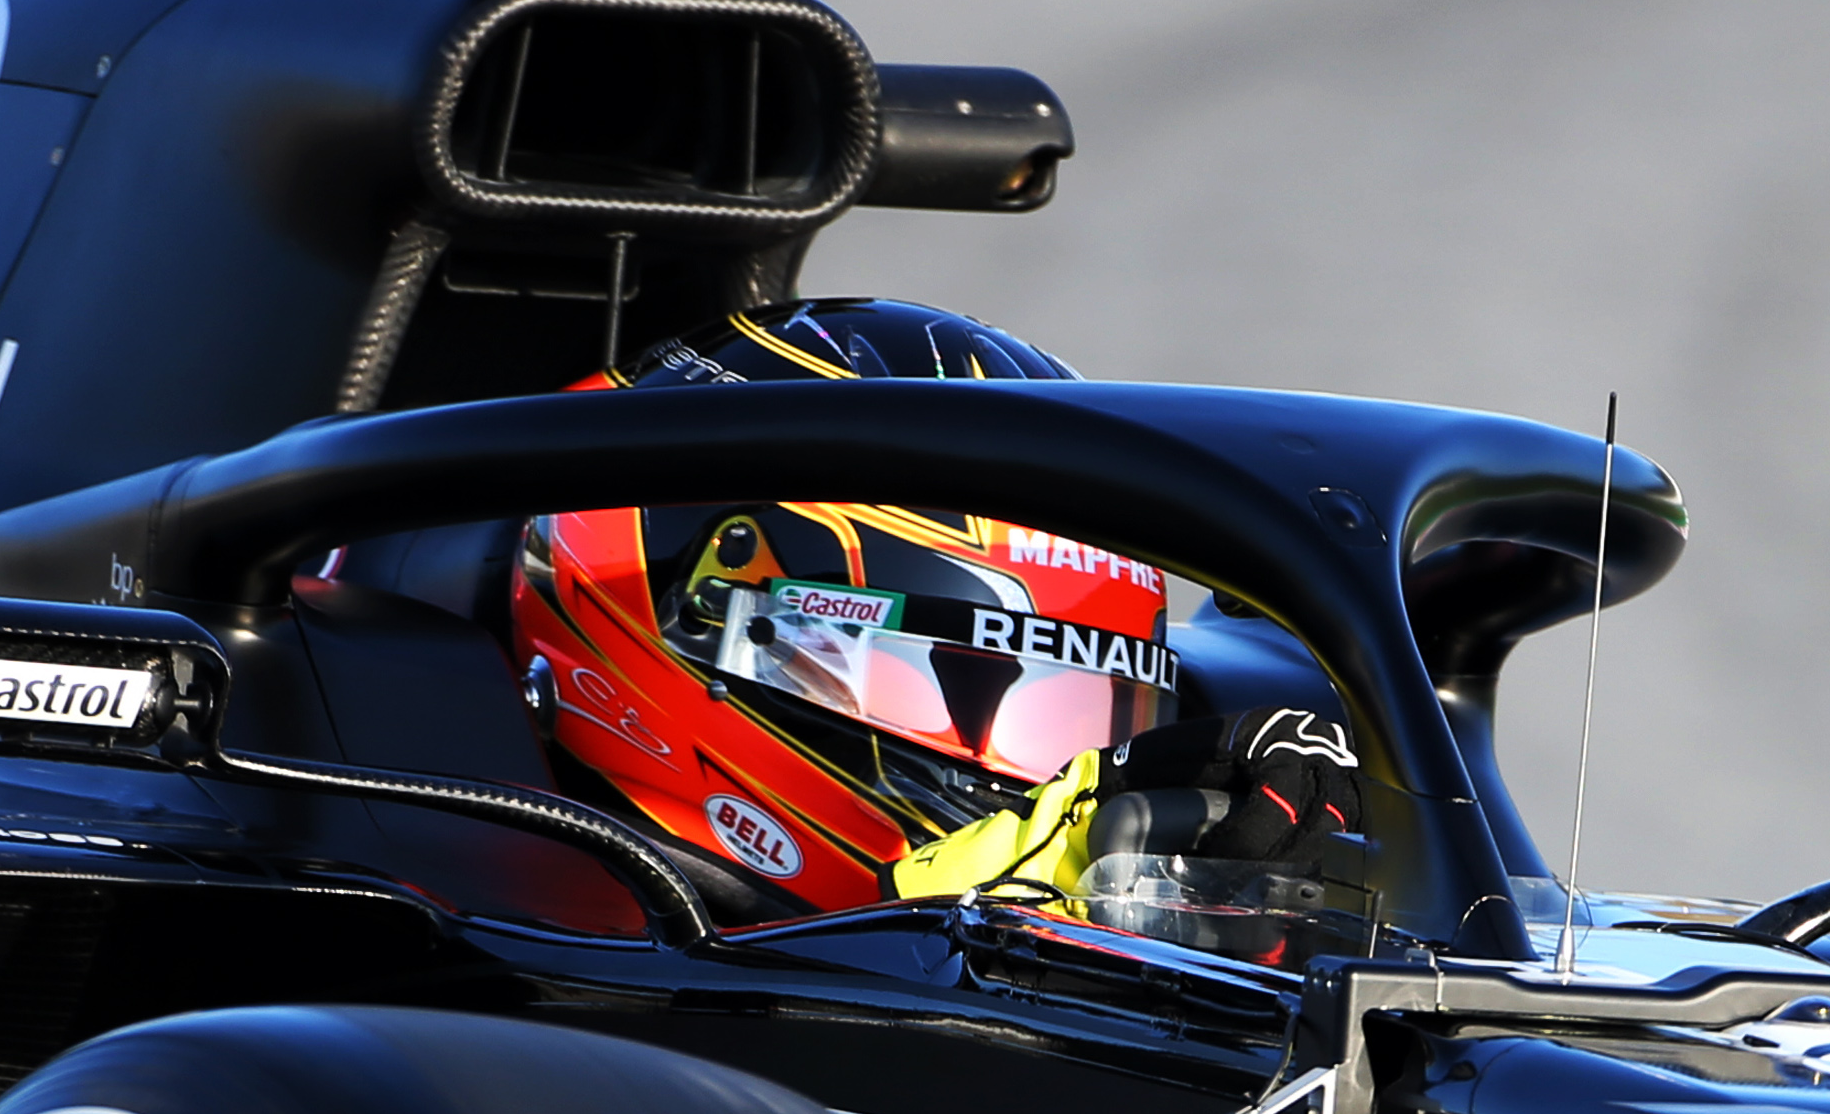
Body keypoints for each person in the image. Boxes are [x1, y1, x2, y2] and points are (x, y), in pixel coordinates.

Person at [510, 296, 1366, 956]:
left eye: (1083, 709)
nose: (1051, 781)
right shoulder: (460, 963)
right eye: (941, 680)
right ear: (708, 614)